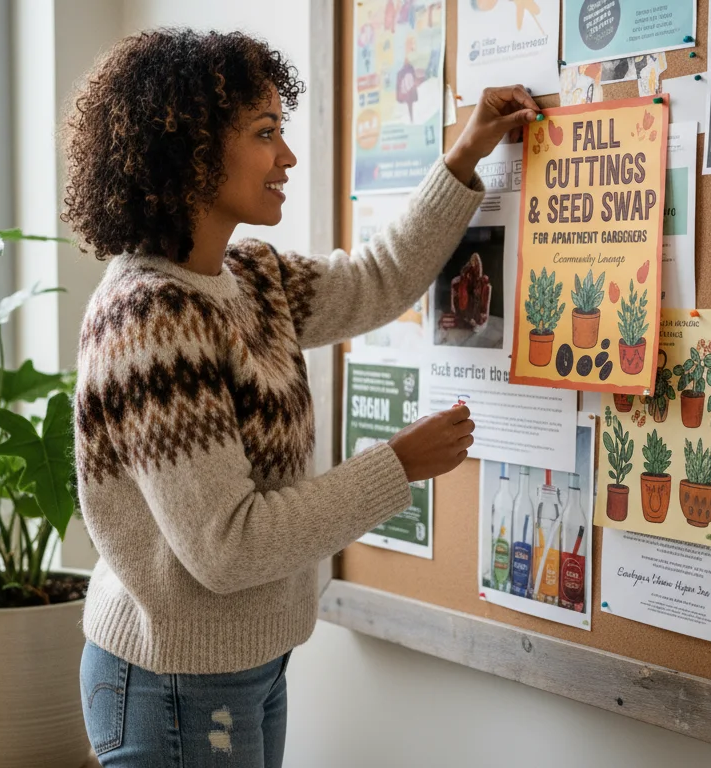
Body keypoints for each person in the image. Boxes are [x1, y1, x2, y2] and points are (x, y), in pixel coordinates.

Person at [63, 28, 541, 768]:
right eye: (264, 133)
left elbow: (381, 278)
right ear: (189, 151)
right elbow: (228, 547)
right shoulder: (149, 319)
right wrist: (397, 466)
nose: (286, 156)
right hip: (171, 685)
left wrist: (463, 157)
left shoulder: (252, 276)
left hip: (249, 666)